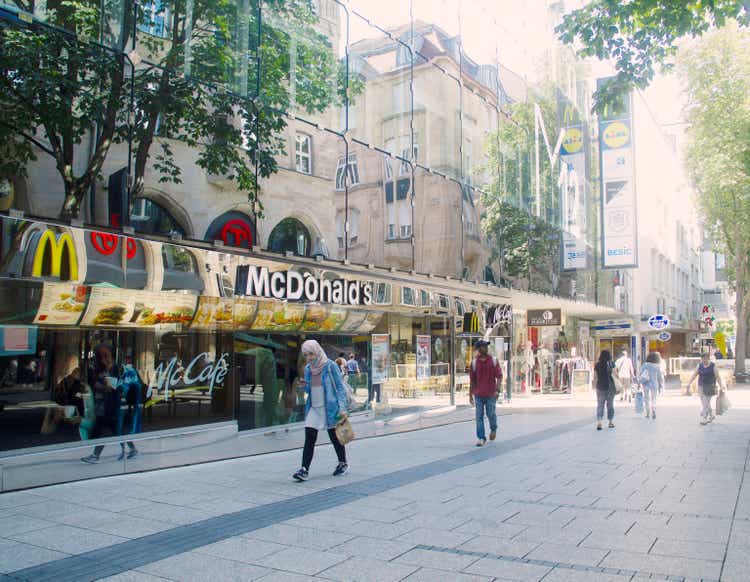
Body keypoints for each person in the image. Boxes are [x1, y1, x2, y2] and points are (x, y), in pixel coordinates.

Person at [292, 340, 349, 482]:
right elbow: (309, 389)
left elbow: (340, 388)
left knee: (335, 437)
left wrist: (342, 407)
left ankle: (343, 463)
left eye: (311, 354)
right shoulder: (308, 369)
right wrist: (303, 386)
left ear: (317, 351)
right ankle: (304, 469)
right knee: (309, 438)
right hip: (314, 407)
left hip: (330, 407)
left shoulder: (330, 366)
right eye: (306, 355)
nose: (309, 358)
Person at [81, 346, 137, 463]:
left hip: (110, 405)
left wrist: (103, 386)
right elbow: (96, 384)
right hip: (103, 405)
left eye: (105, 356)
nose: (103, 360)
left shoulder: (116, 369)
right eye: (101, 357)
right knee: (114, 430)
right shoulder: (101, 370)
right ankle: (131, 449)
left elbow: (112, 388)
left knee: (108, 430)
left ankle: (96, 455)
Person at [469, 339, 502, 447]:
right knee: (479, 416)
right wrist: (470, 395)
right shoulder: (474, 363)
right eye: (484, 346)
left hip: (491, 394)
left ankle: (493, 428)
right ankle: (481, 438)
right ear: (479, 349)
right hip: (478, 394)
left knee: (491, 414)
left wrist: (497, 390)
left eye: (486, 346)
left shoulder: (494, 361)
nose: (486, 348)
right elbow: (472, 380)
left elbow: (499, 377)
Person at [686, 352, 726, 425]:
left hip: (710, 387)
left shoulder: (713, 366)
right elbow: (694, 375)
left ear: (708, 358)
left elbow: (718, 377)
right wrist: (689, 383)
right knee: (705, 403)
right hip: (701, 386)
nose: (704, 361)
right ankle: (711, 415)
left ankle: (704, 418)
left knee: (705, 403)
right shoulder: (699, 366)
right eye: (703, 359)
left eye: (705, 359)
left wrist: (721, 386)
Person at [593, 350, 616, 430]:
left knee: (600, 405)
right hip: (610, 387)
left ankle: (599, 422)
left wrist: (595, 386)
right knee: (610, 405)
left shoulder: (597, 365)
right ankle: (610, 422)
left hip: (600, 387)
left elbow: (595, 377)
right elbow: (615, 374)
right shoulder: (611, 363)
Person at [639, 352, 665, 420]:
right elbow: (660, 377)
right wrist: (661, 385)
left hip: (646, 383)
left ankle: (647, 413)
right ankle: (653, 410)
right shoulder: (657, 366)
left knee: (646, 398)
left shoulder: (645, 365)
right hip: (654, 384)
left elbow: (641, 373)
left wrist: (639, 382)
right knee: (654, 399)